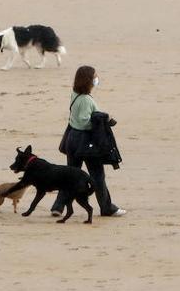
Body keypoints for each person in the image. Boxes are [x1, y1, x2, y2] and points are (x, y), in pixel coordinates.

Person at [50, 66, 126, 217]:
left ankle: (58, 206)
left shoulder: (75, 94)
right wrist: (102, 122)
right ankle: (106, 207)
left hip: (72, 138)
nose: (97, 79)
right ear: (89, 80)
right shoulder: (85, 99)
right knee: (97, 176)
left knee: (70, 174)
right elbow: (84, 121)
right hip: (85, 142)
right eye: (95, 76)